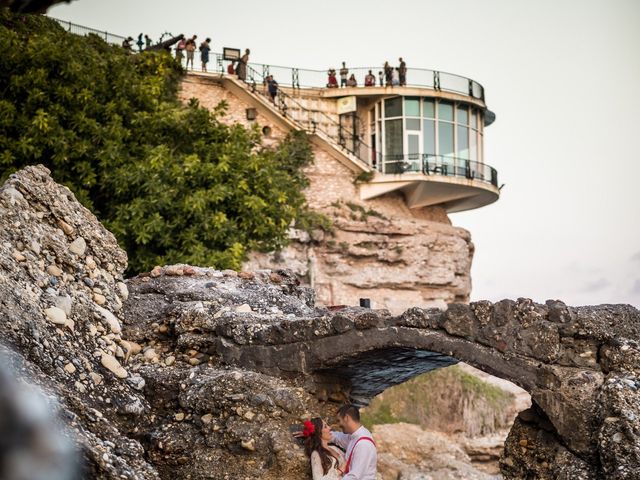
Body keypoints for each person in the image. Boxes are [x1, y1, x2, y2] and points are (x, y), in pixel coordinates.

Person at [331, 405, 377, 480]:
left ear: (346, 418)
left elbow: (354, 476)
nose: (338, 425)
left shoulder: (363, 444)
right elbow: (338, 437)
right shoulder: (354, 436)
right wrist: (320, 432)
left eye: (339, 420)